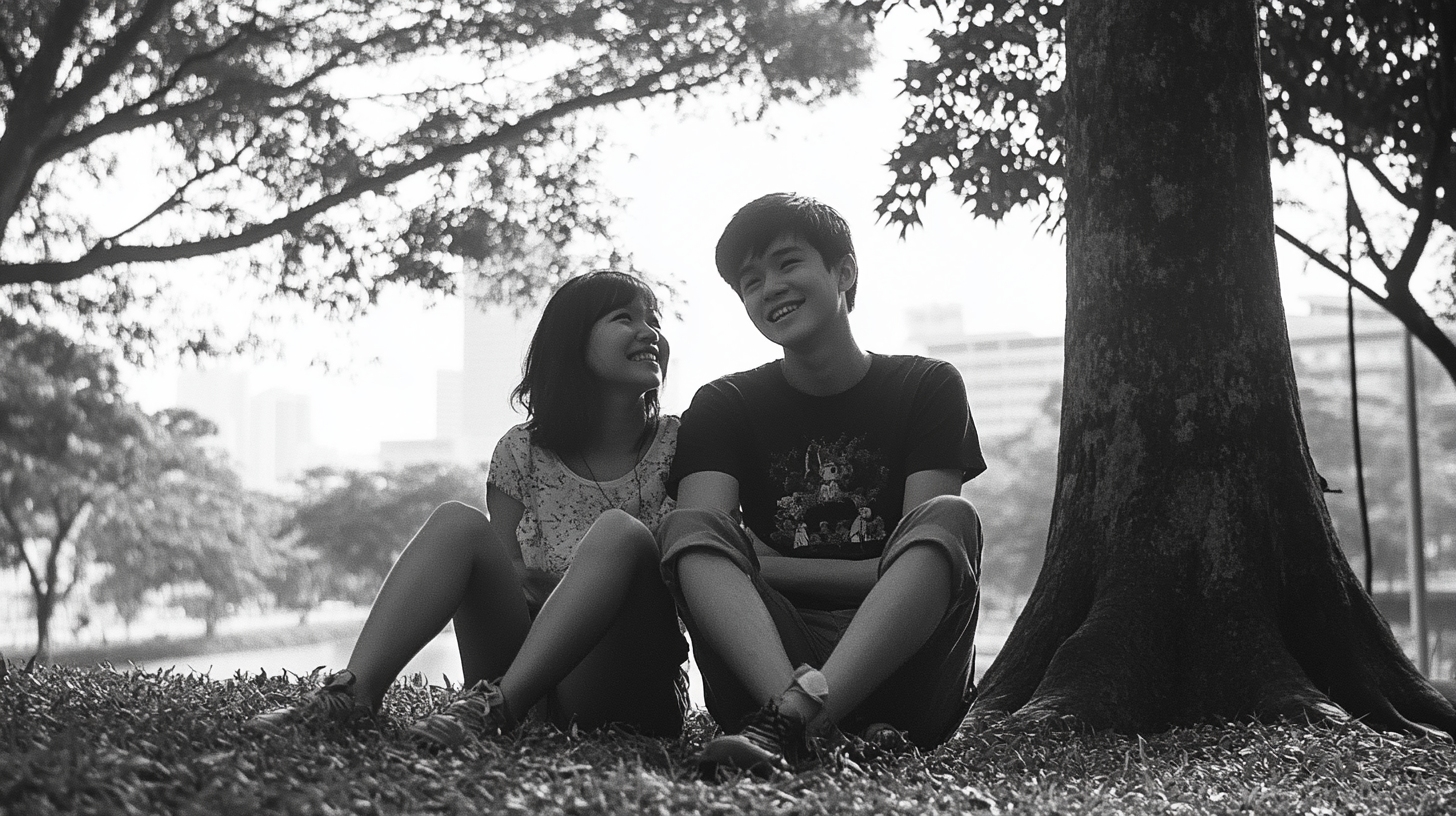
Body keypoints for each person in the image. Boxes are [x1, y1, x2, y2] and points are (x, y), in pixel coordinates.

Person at [248, 271, 688, 743]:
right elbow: (507, 575)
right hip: (525, 681)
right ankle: (353, 696)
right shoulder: (523, 450)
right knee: (455, 522)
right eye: (625, 318)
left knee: (618, 533)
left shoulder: (683, 444)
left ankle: (499, 709)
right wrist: (552, 592)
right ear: (574, 341)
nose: (650, 333)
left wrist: (587, 583)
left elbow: (693, 570)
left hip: (626, 684)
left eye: (654, 321)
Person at [658, 193, 986, 775]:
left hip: (903, 666)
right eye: (751, 280)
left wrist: (762, 562)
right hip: (766, 657)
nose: (770, 288)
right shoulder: (723, 404)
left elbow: (923, 557)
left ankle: (791, 724)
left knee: (949, 518)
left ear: (845, 271)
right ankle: (788, 721)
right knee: (686, 525)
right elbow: (702, 547)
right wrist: (874, 568)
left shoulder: (927, 386)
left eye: (788, 263)